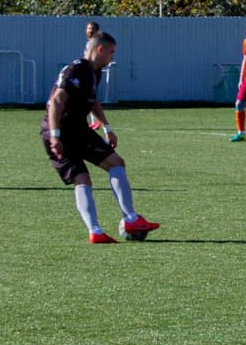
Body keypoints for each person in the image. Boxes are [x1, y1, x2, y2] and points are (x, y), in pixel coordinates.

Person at [41, 31, 159, 244]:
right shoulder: (77, 68)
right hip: (59, 130)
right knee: (82, 179)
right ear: (100, 49)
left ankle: (130, 220)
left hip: (78, 129)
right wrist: (55, 136)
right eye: (112, 52)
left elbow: (92, 101)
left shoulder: (94, 72)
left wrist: (107, 128)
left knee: (116, 163)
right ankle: (96, 230)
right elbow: (57, 101)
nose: (113, 57)